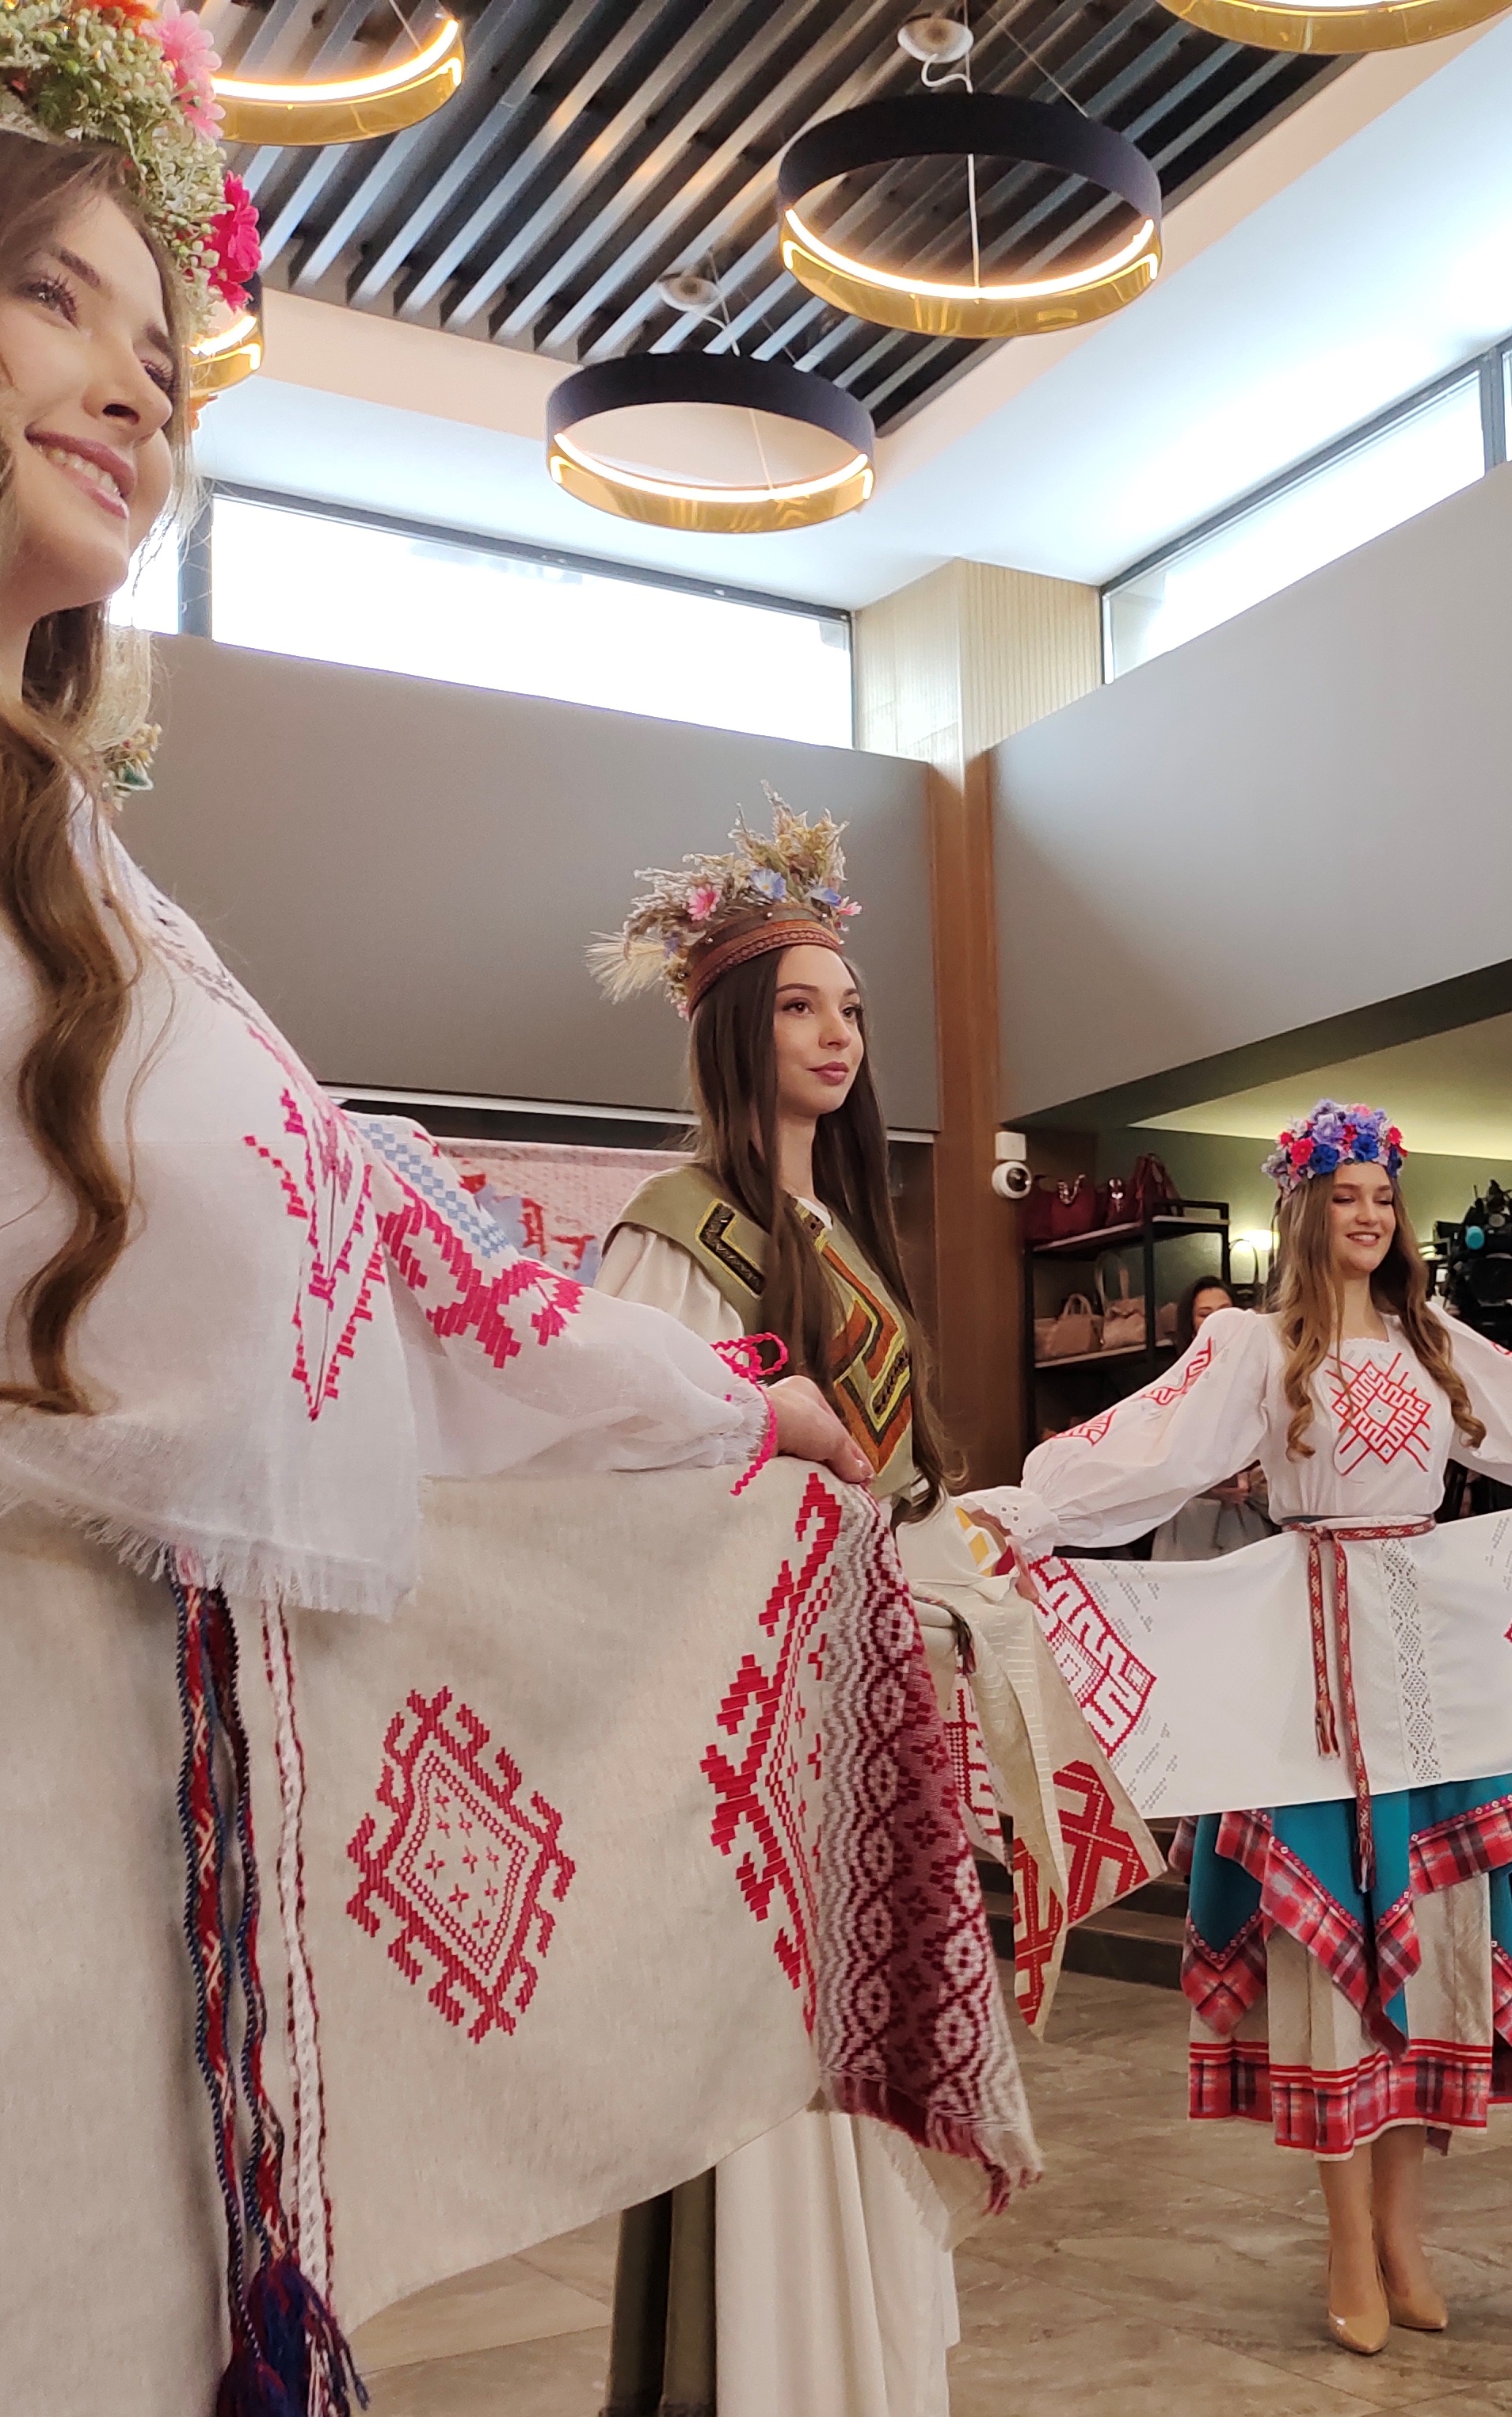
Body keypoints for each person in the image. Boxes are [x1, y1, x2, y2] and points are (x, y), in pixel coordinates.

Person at [0, 51, 904, 2400]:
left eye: (165, 360)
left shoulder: (87, 884)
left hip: (106, 1980)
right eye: (54, 301)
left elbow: (383, 1238)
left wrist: (718, 1407)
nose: (135, 392)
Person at [959, 1102, 1512, 2356]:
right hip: (1310, 1674)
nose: (1371, 1213)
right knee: (1330, 1966)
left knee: (1437, 1945)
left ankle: (1403, 2231)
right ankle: (1344, 2240)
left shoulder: (1440, 1345)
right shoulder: (1253, 1351)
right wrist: (1026, 1509)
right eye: (1346, 1194)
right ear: (1305, 1209)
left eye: (1384, 1193)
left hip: (1434, 1672)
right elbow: (1147, 1450)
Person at [584, 808, 1148, 2417]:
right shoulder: (674, 1233)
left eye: (852, 1007)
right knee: (777, 2080)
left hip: (871, 1703)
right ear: (728, 1028)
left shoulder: (841, 1232)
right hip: (773, 1727)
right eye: (797, 1005)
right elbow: (638, 1466)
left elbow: (891, 1488)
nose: (837, 1033)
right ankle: (776, 2368)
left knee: (866, 2070)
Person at [1151, 1276, 1277, 1561]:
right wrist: (1210, 1488)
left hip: (1247, 1518)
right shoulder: (1174, 1386)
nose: (1219, 1321)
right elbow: (1156, 1469)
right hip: (1190, 1519)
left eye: (1226, 1311)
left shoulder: (1261, 1378)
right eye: (1205, 1315)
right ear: (1192, 1326)